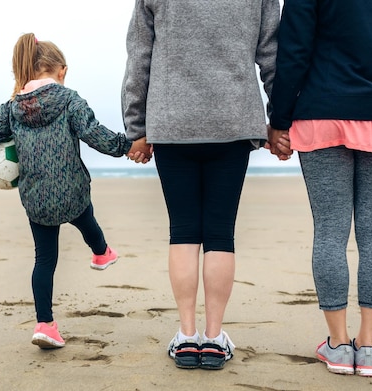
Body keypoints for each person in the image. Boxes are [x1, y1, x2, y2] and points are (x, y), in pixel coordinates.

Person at [267, 0, 372, 377]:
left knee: (330, 230)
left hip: (321, 108)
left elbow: (294, 46)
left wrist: (279, 118)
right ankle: (369, 347)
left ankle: (339, 345)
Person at [0, 33, 151, 349]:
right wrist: (129, 146)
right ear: (60, 70)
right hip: (72, 193)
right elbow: (96, 136)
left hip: (36, 202)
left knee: (44, 260)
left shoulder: (12, 108)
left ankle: (45, 325)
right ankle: (102, 252)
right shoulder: (69, 99)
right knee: (86, 219)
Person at [122, 0, 282, 370]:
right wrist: (279, 119)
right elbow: (272, 55)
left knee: (183, 231)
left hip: (172, 121)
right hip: (233, 119)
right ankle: (213, 338)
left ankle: (187, 335)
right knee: (220, 234)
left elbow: (139, 56)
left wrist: (137, 127)